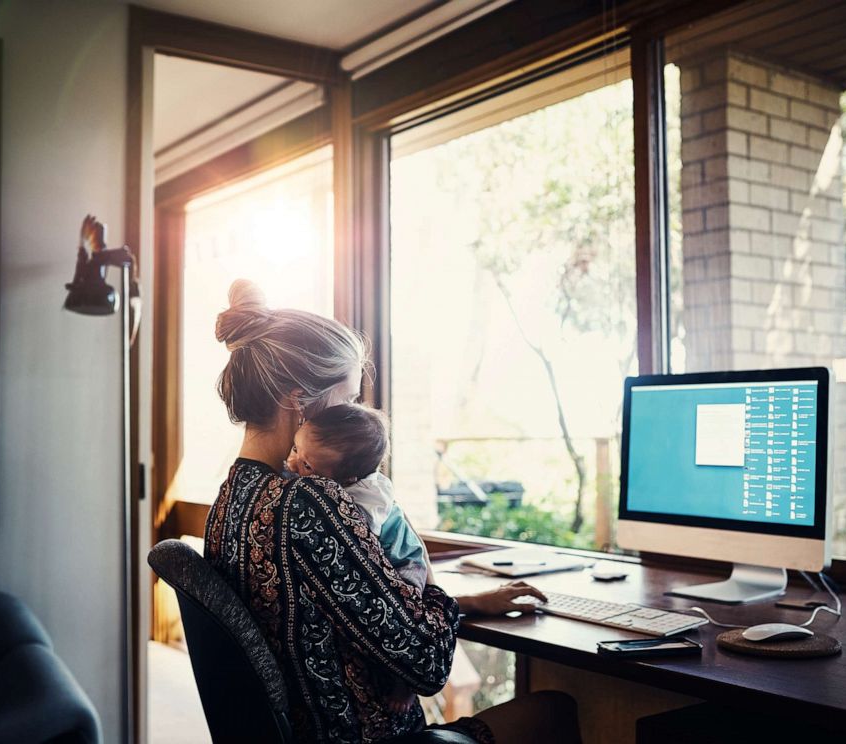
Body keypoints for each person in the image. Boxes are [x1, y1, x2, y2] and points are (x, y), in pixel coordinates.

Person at [205, 279, 582, 744]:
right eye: (346, 401)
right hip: (369, 738)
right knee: (553, 710)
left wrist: (469, 603)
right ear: (298, 403)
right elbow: (426, 665)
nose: (353, 417)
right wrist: (437, 595)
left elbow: (328, 613)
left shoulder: (231, 497)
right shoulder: (310, 501)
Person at [285, 403, 426, 714]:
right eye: (295, 449)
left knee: (408, 615)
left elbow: (358, 537)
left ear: (346, 477)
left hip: (406, 561)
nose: (293, 463)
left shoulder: (367, 497)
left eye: (307, 466)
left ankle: (408, 684)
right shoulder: (327, 474)